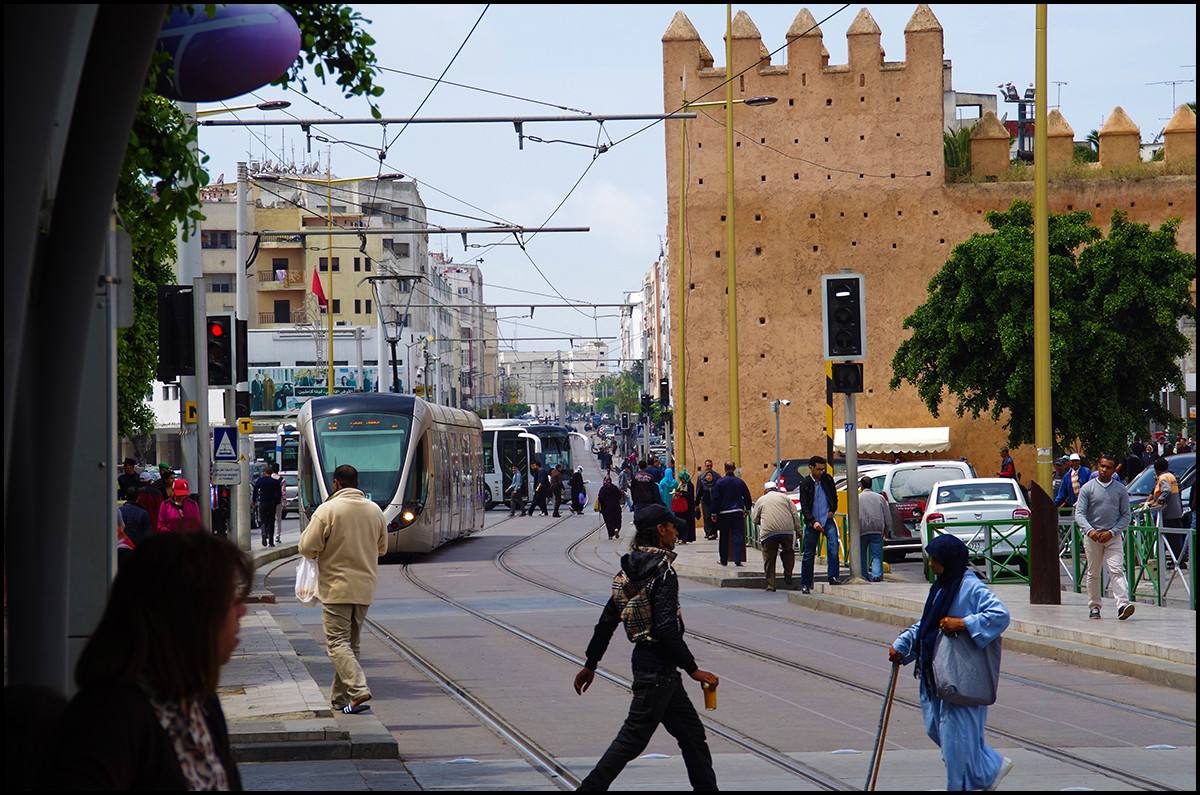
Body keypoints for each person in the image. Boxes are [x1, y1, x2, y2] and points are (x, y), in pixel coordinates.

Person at [46, 530, 250, 789]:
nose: (242, 610)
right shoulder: (110, 720)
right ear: (188, 614)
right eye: (229, 598)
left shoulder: (200, 701)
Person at [572, 504, 719, 791]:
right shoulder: (663, 573)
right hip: (657, 673)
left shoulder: (628, 571)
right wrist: (693, 669)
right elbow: (665, 629)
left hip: (657, 670)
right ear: (661, 530)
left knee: (692, 736)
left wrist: (591, 664)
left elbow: (607, 621)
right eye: (673, 527)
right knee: (631, 740)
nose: (677, 532)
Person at [887, 535, 1013, 792]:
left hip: (959, 676)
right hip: (937, 674)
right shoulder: (942, 586)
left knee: (956, 743)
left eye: (935, 559)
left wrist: (964, 623)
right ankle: (989, 768)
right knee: (941, 732)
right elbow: (928, 624)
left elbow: (1000, 615)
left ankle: (962, 785)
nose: (931, 564)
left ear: (949, 561)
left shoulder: (970, 586)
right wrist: (903, 645)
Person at [298, 464, 388, 714]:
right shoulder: (375, 510)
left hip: (336, 588)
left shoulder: (327, 510)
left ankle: (358, 691)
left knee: (337, 643)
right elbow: (382, 549)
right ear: (357, 483)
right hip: (364, 588)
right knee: (351, 645)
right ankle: (340, 699)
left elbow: (306, 547)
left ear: (336, 483)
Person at [1075, 454, 1135, 621]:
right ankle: (1094, 606)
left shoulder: (1120, 489)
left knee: (1116, 570)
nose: (1104, 470)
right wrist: (1090, 531)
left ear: (1113, 470)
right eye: (1102, 466)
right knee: (1094, 573)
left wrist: (1113, 532)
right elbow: (1079, 514)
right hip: (1093, 537)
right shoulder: (1088, 488)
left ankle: (1123, 604)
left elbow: (1125, 516)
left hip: (1112, 537)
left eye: (1108, 467)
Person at [797, 455, 841, 593]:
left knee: (833, 545)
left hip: (827, 519)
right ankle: (806, 582)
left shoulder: (827, 480)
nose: (820, 472)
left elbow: (834, 497)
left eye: (822, 469)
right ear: (810, 468)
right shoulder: (805, 484)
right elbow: (804, 506)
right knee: (809, 553)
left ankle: (833, 576)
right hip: (813, 522)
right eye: (818, 469)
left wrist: (833, 510)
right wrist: (812, 521)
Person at [750, 481, 802, 591]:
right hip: (787, 530)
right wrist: (798, 530)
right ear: (776, 489)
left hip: (769, 532)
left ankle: (771, 584)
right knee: (788, 552)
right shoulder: (785, 498)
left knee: (769, 557)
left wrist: (763, 522)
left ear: (765, 491)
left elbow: (754, 519)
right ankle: (788, 575)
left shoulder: (761, 500)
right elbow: (794, 515)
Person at [711, 460, 753, 567]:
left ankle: (723, 560)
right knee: (738, 536)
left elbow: (715, 499)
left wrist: (713, 513)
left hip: (724, 513)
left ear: (725, 469)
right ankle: (737, 560)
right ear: (734, 469)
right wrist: (747, 509)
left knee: (724, 537)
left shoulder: (720, 482)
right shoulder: (740, 482)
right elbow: (747, 496)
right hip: (737, 512)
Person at [1146, 456, 1186, 563]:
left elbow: (1166, 491)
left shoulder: (1163, 478)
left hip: (1169, 513)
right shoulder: (1172, 476)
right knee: (1176, 540)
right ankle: (1178, 561)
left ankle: (1178, 562)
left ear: (1156, 469)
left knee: (1171, 540)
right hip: (1177, 511)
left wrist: (1158, 501)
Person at [858, 476, 892, 583]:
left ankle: (864, 576)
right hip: (877, 530)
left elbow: (851, 515)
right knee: (876, 555)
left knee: (862, 555)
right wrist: (886, 530)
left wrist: (851, 532)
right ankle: (876, 575)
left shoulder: (857, 498)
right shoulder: (879, 498)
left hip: (861, 531)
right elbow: (887, 516)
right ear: (871, 485)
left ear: (861, 486)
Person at [253, 462, 284, 548]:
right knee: (271, 521)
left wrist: (254, 500)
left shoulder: (260, 480)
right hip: (272, 503)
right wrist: (277, 502)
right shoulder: (275, 482)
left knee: (263, 520)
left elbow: (255, 490)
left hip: (263, 502)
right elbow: (279, 494)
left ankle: (263, 532)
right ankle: (271, 541)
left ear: (265, 473)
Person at [118, 486, 153, 550]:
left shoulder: (118, 512)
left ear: (126, 497)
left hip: (120, 548)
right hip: (138, 550)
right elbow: (148, 535)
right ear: (138, 497)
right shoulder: (143, 513)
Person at [695, 459, 719, 540]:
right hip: (705, 501)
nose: (709, 467)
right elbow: (699, 491)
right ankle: (709, 533)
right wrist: (696, 503)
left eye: (710, 466)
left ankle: (714, 532)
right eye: (707, 466)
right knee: (707, 517)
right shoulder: (701, 477)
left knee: (715, 516)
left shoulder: (717, 476)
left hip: (715, 501)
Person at [672, 469, 696, 544]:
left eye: (681, 478)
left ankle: (684, 538)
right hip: (680, 507)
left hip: (687, 508)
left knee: (686, 523)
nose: (681, 480)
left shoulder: (689, 485)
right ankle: (680, 537)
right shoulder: (681, 485)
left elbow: (690, 495)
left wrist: (682, 494)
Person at [597, 475, 624, 539]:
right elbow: (619, 496)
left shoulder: (602, 489)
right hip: (616, 507)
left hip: (606, 508)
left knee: (608, 521)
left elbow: (600, 498)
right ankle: (616, 528)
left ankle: (610, 535)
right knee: (617, 519)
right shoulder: (614, 487)